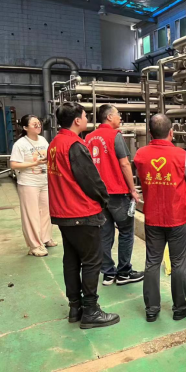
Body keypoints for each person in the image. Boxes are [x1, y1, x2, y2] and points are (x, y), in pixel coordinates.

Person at [48, 102, 119, 329]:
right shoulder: (74, 145)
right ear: (77, 120)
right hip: (80, 211)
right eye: (85, 115)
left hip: (63, 212)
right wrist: (104, 199)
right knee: (91, 261)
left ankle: (75, 307)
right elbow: (90, 180)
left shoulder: (55, 143)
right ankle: (91, 310)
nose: (88, 119)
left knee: (71, 260)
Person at [134, 114, 186, 323]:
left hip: (153, 216)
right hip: (177, 216)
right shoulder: (180, 154)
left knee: (152, 262)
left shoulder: (140, 154)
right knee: (178, 262)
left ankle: (152, 309)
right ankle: (180, 307)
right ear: (171, 132)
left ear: (150, 133)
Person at [85, 105, 144, 287]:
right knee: (126, 231)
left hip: (97, 194)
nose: (120, 118)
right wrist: (132, 189)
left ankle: (108, 273)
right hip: (117, 193)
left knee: (104, 233)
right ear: (109, 117)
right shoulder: (115, 136)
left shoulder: (89, 137)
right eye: (118, 115)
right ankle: (124, 272)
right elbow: (125, 164)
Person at [10, 115, 56, 257]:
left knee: (46, 211)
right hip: (28, 182)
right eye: (34, 124)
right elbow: (14, 164)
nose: (38, 126)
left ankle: (45, 238)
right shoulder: (20, 144)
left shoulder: (42, 140)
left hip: (44, 181)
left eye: (39, 123)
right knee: (31, 214)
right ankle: (34, 245)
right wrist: (35, 163)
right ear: (25, 128)